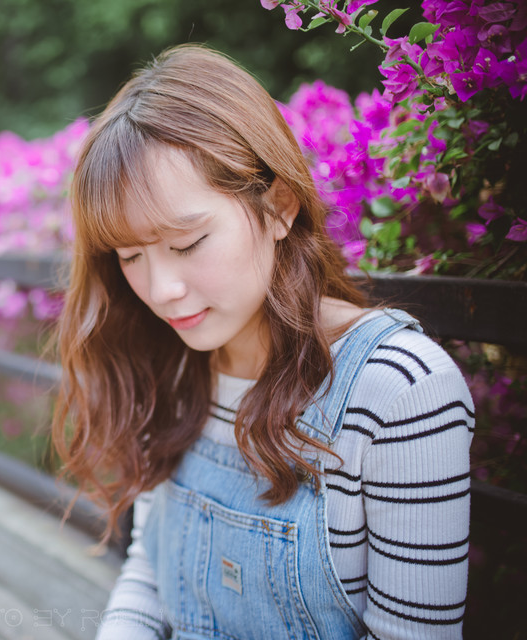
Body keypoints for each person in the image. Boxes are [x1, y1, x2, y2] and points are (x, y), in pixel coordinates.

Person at [51, 45, 474, 640]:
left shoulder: (398, 389)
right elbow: (149, 573)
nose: (162, 290)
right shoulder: (175, 362)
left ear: (278, 206)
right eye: (129, 256)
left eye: (187, 243)